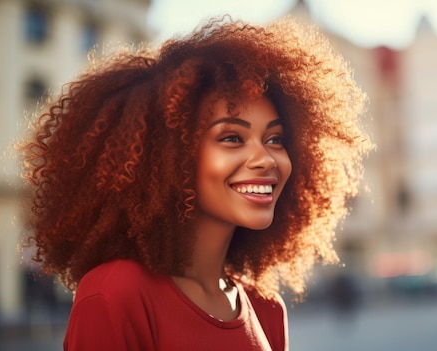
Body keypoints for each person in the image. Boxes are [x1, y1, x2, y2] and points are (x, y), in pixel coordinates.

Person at [19, 16, 372, 351]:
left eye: (275, 139)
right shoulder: (115, 295)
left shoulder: (266, 308)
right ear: (170, 155)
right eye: (232, 138)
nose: (266, 158)